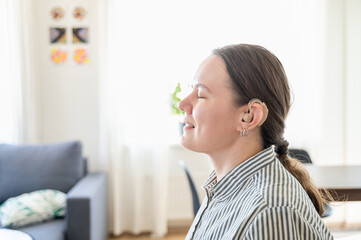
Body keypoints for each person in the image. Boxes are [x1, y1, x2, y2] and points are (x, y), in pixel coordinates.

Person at [178, 44, 334, 239]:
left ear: (249, 117)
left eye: (201, 94)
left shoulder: (270, 212)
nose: (182, 104)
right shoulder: (224, 188)